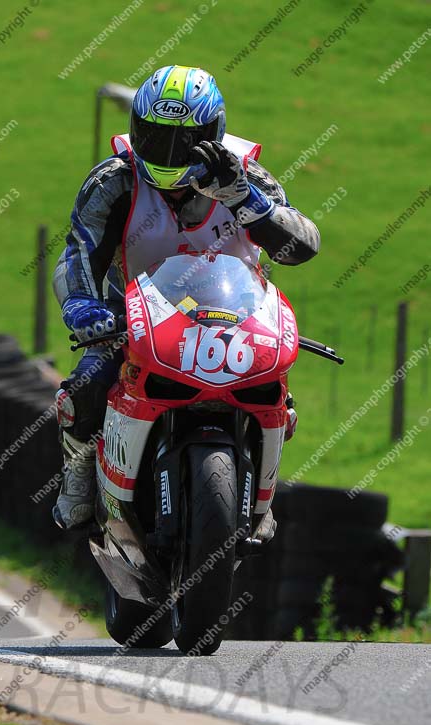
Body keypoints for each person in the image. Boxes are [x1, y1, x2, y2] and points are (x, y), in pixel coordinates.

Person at [52, 65, 320, 531]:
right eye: (155, 137)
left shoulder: (246, 174)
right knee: (88, 385)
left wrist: (244, 199)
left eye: (186, 141)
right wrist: (82, 306)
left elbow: (303, 246)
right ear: (136, 129)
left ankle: (260, 491)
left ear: (214, 133)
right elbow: (78, 252)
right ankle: (77, 469)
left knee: (277, 394)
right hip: (134, 319)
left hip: (234, 318)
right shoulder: (114, 179)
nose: (169, 152)